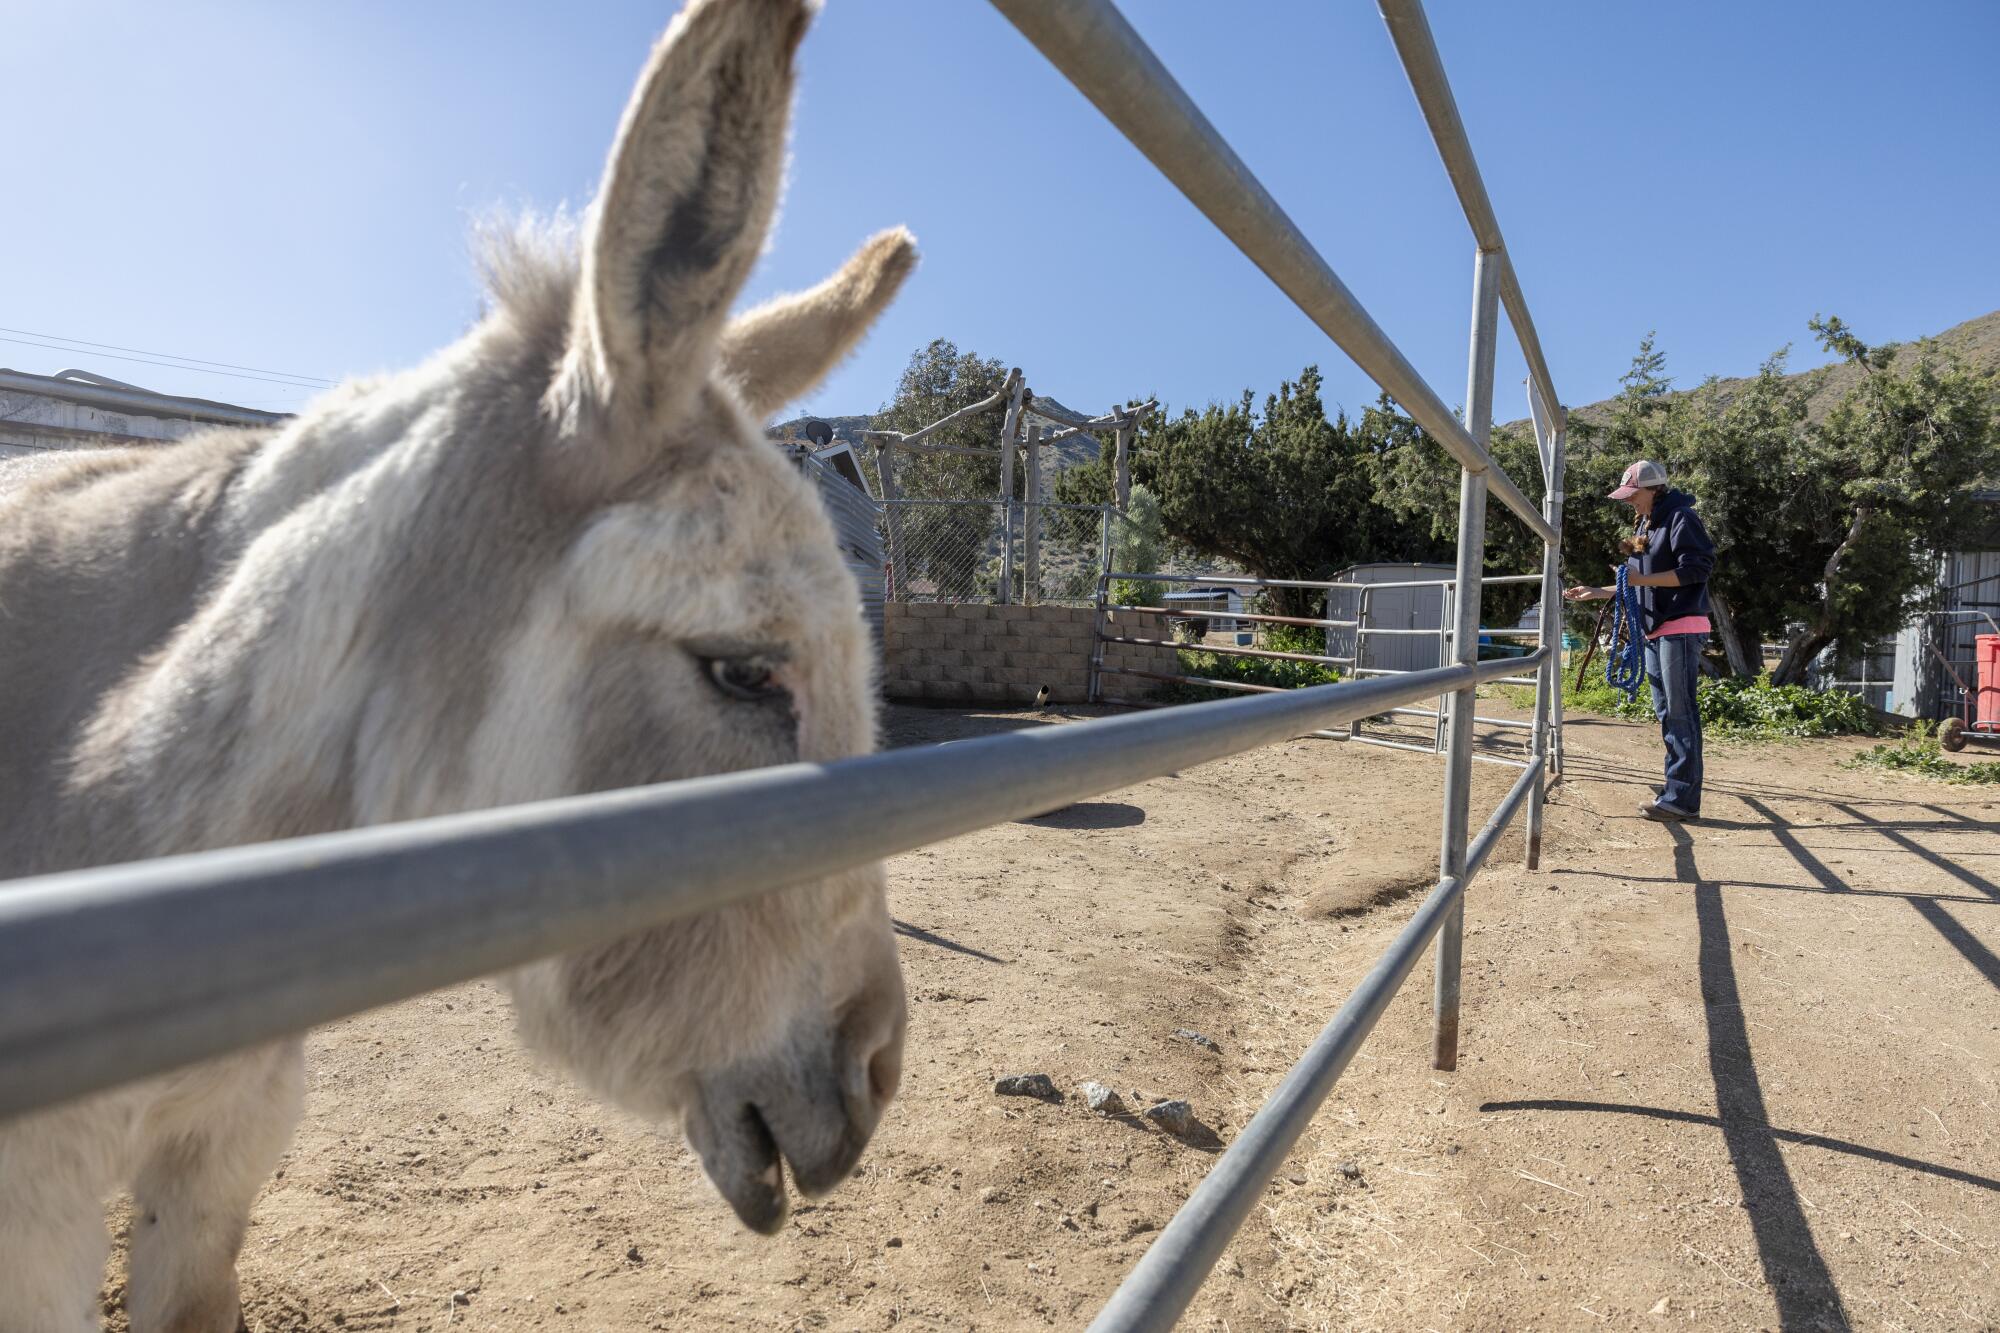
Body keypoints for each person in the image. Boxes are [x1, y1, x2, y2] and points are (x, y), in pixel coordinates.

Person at [1563, 459, 1716, 821]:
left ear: (1654, 489)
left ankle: (1681, 799)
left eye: (1634, 495)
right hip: (1655, 628)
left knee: (1680, 712)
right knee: (1667, 712)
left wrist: (1636, 582)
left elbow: (1696, 570)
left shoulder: (1681, 519)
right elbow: (1634, 579)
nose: (1629, 501)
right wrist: (1598, 591)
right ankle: (1676, 790)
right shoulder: (1647, 524)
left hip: (1679, 625)